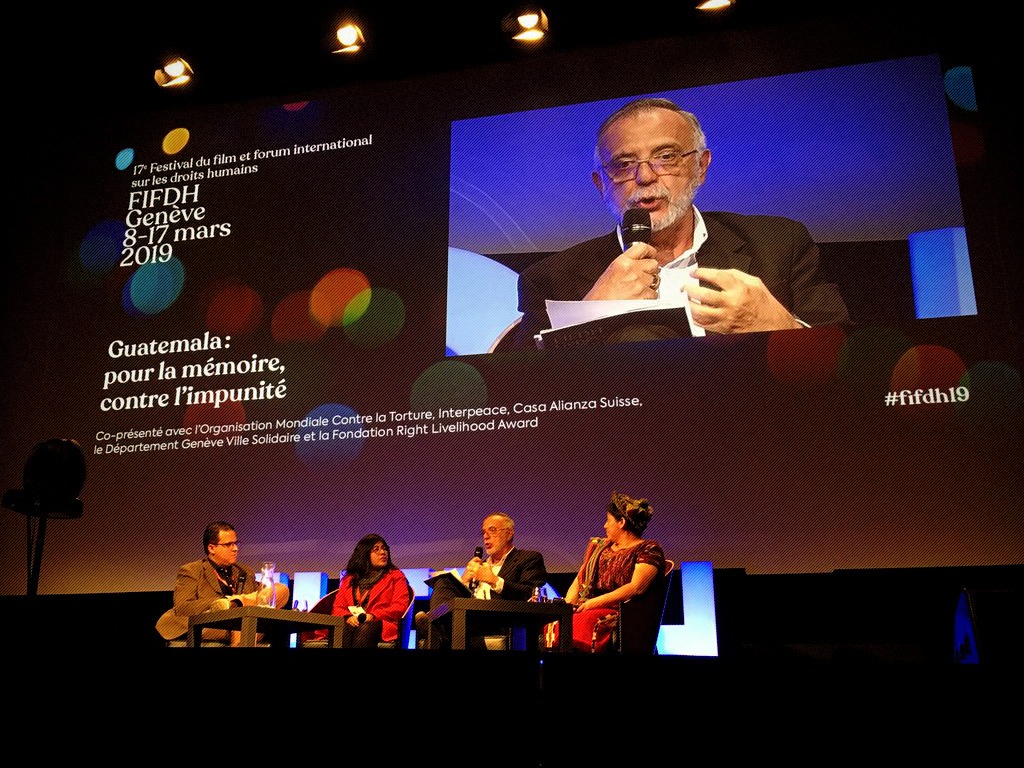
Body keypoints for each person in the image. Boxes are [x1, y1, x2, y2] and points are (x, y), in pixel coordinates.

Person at [502, 96, 850, 349]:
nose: (644, 176)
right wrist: (592, 312)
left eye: (665, 157)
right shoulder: (550, 278)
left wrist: (780, 325)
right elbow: (521, 392)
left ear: (700, 167)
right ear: (601, 184)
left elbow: (852, 360)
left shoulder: (779, 242)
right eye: (623, 164)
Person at [415, 512, 548, 649]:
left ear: (509, 534)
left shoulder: (528, 558)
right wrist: (464, 581)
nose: (485, 536)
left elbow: (531, 593)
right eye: (484, 532)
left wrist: (494, 580)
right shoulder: (480, 565)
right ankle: (438, 621)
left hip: (501, 620)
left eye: (492, 530)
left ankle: (435, 626)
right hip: (469, 617)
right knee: (444, 581)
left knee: (444, 632)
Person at [155, 520, 290, 646]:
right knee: (243, 619)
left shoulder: (244, 571)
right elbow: (182, 607)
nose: (235, 549)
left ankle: (237, 602)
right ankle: (235, 605)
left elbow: (261, 598)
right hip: (210, 624)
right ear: (212, 548)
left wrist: (238, 602)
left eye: (236, 543)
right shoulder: (192, 570)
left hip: (243, 622)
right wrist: (220, 601)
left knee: (281, 589)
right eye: (228, 545)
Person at [562, 491, 665, 653]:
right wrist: (567, 607)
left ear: (621, 522)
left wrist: (592, 604)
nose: (604, 526)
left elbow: (636, 587)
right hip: (590, 606)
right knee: (560, 622)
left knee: (582, 623)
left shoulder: (648, 549)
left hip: (623, 612)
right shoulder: (601, 547)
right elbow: (580, 578)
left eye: (608, 520)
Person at [311, 534, 413, 648]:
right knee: (346, 627)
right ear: (364, 554)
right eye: (376, 549)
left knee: (366, 627)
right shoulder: (349, 579)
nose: (383, 552)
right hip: (354, 621)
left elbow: (400, 606)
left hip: (382, 624)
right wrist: (348, 617)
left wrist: (373, 615)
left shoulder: (396, 576)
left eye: (384, 548)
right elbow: (338, 608)